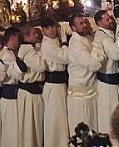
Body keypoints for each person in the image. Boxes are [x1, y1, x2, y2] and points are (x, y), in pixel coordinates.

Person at [67, 13, 105, 134]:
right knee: (84, 130)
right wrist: (98, 47)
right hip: (81, 96)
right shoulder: (76, 45)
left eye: (85, 22)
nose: (85, 26)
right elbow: (94, 65)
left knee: (93, 128)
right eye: (81, 24)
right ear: (73, 28)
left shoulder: (86, 38)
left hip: (91, 93)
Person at [40, 17, 70, 147]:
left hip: (61, 84)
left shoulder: (54, 41)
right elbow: (65, 57)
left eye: (53, 27)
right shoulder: (47, 45)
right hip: (54, 86)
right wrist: (64, 42)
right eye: (48, 28)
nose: (52, 30)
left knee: (62, 117)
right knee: (56, 118)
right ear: (43, 31)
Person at [93, 9, 119, 133]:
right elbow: (117, 55)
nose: (110, 21)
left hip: (112, 82)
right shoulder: (103, 37)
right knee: (110, 114)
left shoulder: (108, 34)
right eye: (107, 19)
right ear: (99, 23)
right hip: (108, 84)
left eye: (110, 18)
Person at [18, 26, 47, 147]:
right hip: (30, 92)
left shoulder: (32, 48)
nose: (37, 36)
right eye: (34, 34)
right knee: (31, 126)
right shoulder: (27, 50)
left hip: (34, 91)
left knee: (37, 124)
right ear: (26, 36)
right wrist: (45, 55)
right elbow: (41, 66)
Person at [0, 27, 27, 147]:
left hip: (13, 97)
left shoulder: (10, 53)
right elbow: (16, 74)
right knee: (13, 130)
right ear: (12, 37)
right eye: (18, 38)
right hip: (10, 98)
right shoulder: (6, 55)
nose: (19, 41)